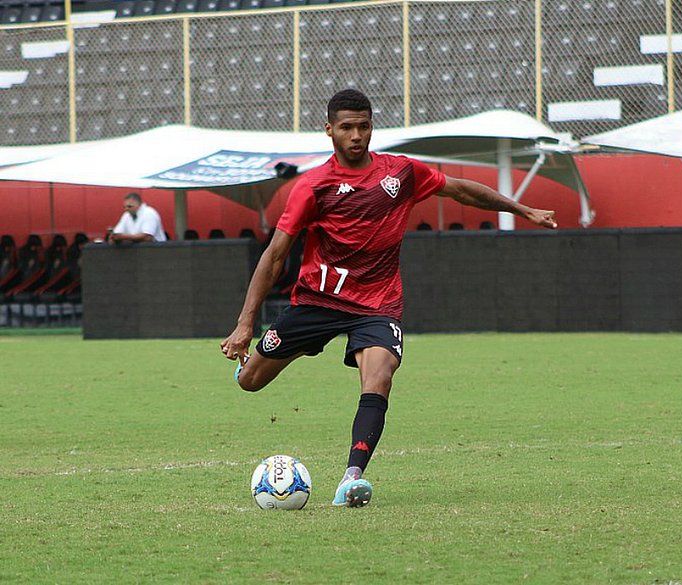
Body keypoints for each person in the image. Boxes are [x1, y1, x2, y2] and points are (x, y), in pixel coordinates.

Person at [220, 89, 557, 508]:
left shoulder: (400, 174)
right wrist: (245, 324)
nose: (356, 135)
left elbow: (462, 191)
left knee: (379, 376)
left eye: (363, 126)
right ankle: (250, 367)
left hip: (376, 304)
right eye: (347, 128)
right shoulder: (313, 188)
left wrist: (523, 211)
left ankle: (351, 479)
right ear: (330, 131)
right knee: (252, 382)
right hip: (316, 302)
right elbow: (275, 255)